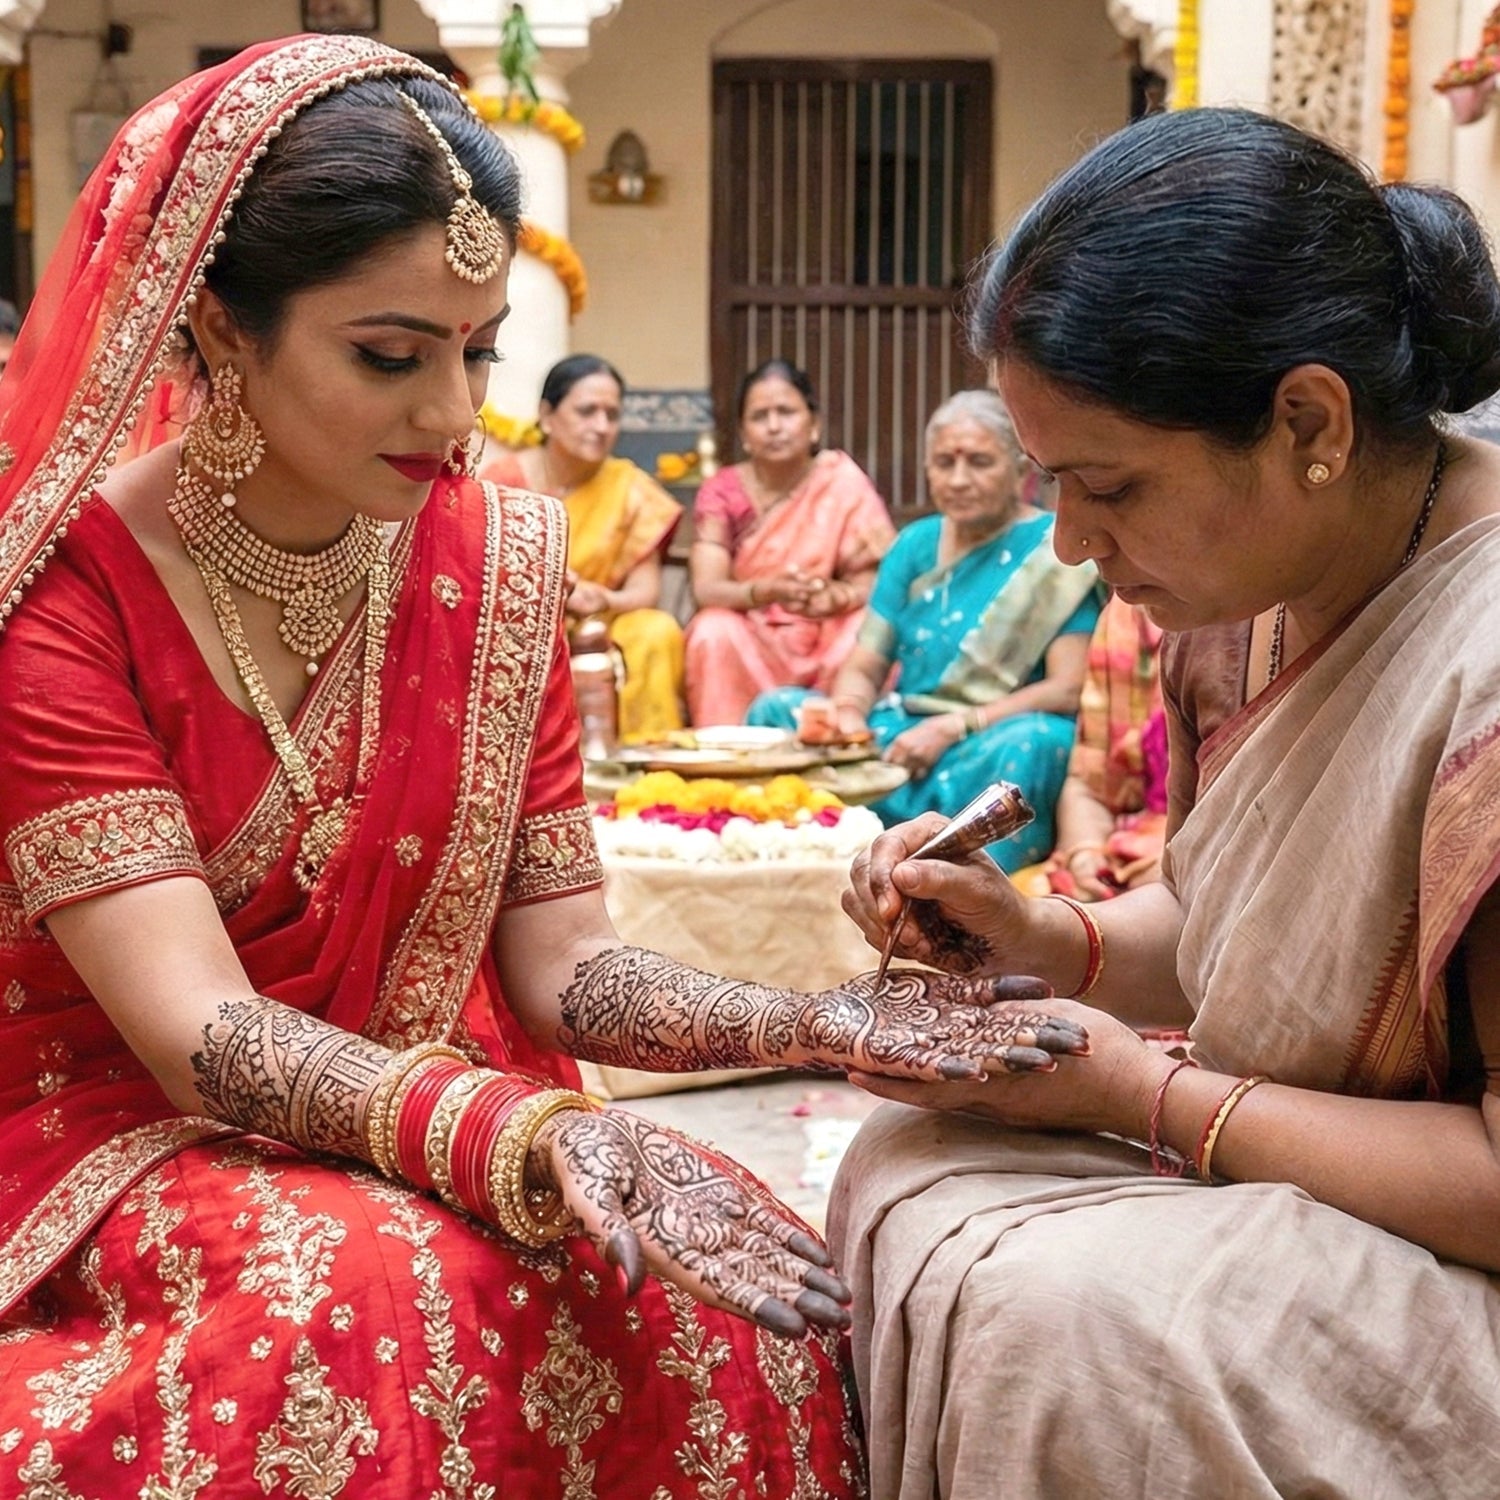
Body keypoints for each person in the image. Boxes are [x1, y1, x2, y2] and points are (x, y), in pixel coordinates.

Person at [0, 37, 1092, 1494]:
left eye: (478, 351)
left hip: (422, 1108)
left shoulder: (492, 561)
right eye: (390, 355)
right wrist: (523, 1126)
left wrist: (821, 1023)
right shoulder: (64, 601)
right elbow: (194, 1027)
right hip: (127, 1131)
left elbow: (563, 968)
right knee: (371, 1304)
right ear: (215, 327)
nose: (455, 418)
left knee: (712, 1307)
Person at [833, 106, 1500, 1498]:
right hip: (1296, 1164)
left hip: (1455, 1248)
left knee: (1064, 1325)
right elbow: (1210, 916)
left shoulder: (1483, 662)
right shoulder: (1243, 594)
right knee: (908, 1157)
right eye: (1048, 486)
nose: (1071, 545)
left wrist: (1152, 1092)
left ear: (1307, 421)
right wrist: (1036, 941)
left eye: (1109, 486)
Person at [748, 390, 1099, 871]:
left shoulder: (1052, 553)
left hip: (983, 742)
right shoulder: (915, 543)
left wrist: (956, 725)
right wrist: (848, 713)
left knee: (1040, 741)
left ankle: (966, 873)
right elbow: (867, 663)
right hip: (899, 737)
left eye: (979, 462)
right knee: (775, 710)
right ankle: (803, 855)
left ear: (1020, 472)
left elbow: (1067, 688)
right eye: (944, 463)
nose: (959, 479)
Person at [483, 354, 686, 740]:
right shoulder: (503, 482)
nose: (602, 426)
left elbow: (646, 592)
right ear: (547, 415)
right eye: (587, 411)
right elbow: (481, 577)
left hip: (603, 622)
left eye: (612, 414)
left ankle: (645, 757)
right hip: (524, 620)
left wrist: (602, 599)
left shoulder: (631, 489)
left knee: (655, 631)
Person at [684, 360, 895, 725]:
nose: (774, 426)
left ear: (814, 425)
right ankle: (728, 756)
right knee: (711, 629)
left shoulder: (842, 481)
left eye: (787, 412)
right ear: (744, 434)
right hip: (751, 633)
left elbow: (881, 579)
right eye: (760, 416)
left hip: (825, 635)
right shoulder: (722, 491)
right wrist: (768, 591)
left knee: (869, 625)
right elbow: (707, 588)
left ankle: (842, 737)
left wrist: (836, 597)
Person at [1026, 590, 1167, 899]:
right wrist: (1085, 853)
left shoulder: (1265, 623)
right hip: (1125, 860)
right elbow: (1089, 787)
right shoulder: (1128, 612)